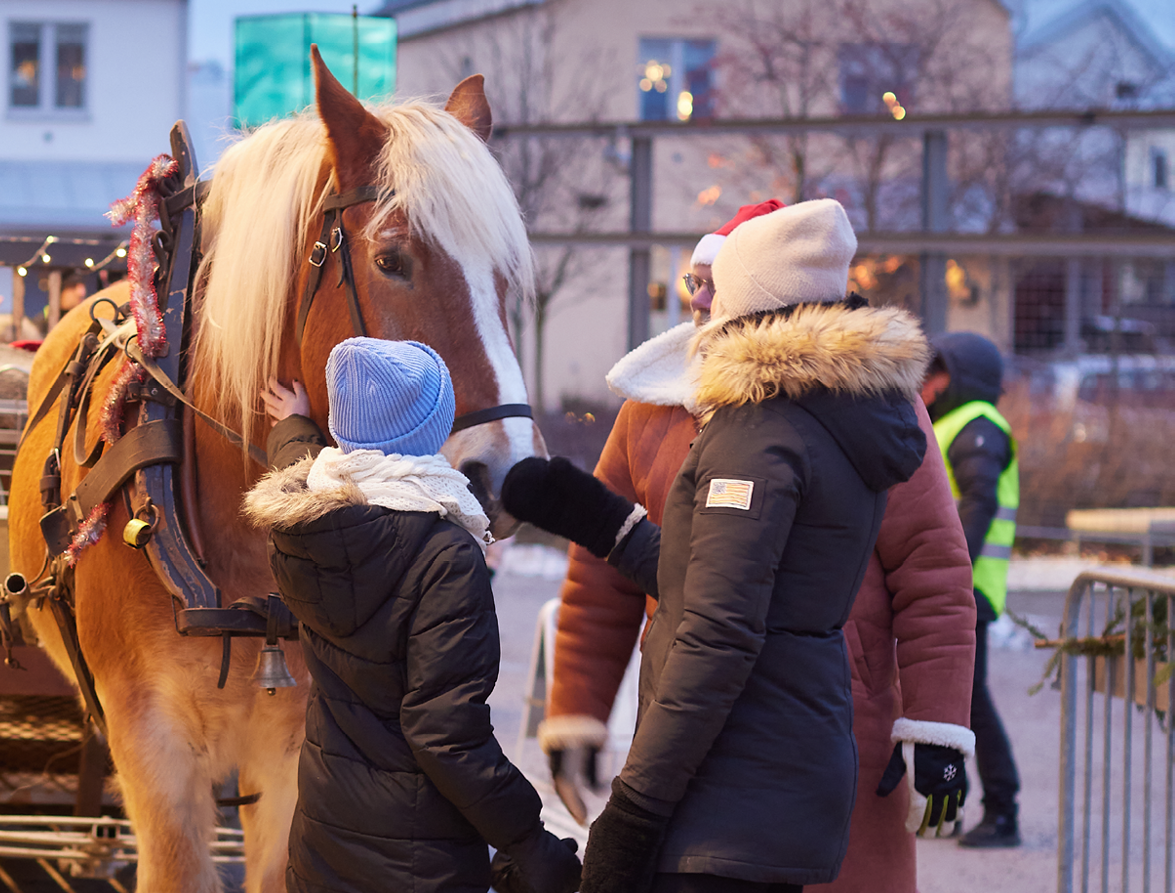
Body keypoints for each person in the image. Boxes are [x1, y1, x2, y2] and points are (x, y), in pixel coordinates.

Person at [537, 202, 979, 892]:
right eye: (693, 281)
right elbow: (624, 582)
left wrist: (936, 725)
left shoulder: (820, 417)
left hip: (819, 724)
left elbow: (933, 570)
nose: (700, 298)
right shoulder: (656, 405)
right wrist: (578, 705)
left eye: (715, 282)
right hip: (719, 736)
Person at [243, 338, 581, 893]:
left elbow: (298, 464)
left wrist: (295, 426)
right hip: (421, 862)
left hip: (323, 847)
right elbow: (445, 736)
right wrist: (530, 843)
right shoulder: (444, 556)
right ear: (432, 431)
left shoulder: (307, 524)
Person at [922, 331, 1023, 848]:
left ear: (961, 379)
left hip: (967, 591)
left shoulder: (977, 425)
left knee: (969, 703)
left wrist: (949, 574)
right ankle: (949, 807)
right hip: (958, 589)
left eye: (937, 373)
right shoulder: (956, 425)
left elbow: (979, 502)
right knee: (956, 703)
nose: (928, 384)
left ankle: (1002, 811)